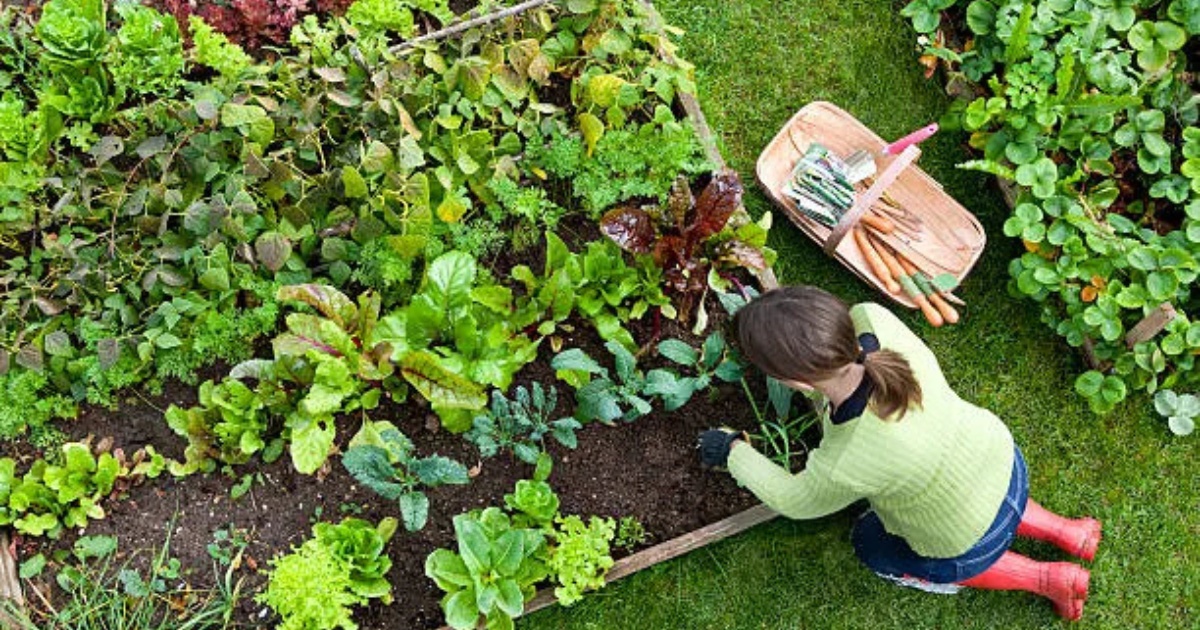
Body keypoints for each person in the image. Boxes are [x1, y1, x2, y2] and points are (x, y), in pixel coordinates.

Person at [698, 285, 1101, 621]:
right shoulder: (875, 320)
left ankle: (1048, 580)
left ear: (797, 383)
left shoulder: (846, 459)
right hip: (1002, 460)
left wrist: (732, 451)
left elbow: (795, 500)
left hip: (963, 537)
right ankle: (1069, 532)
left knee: (870, 544)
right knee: (976, 492)